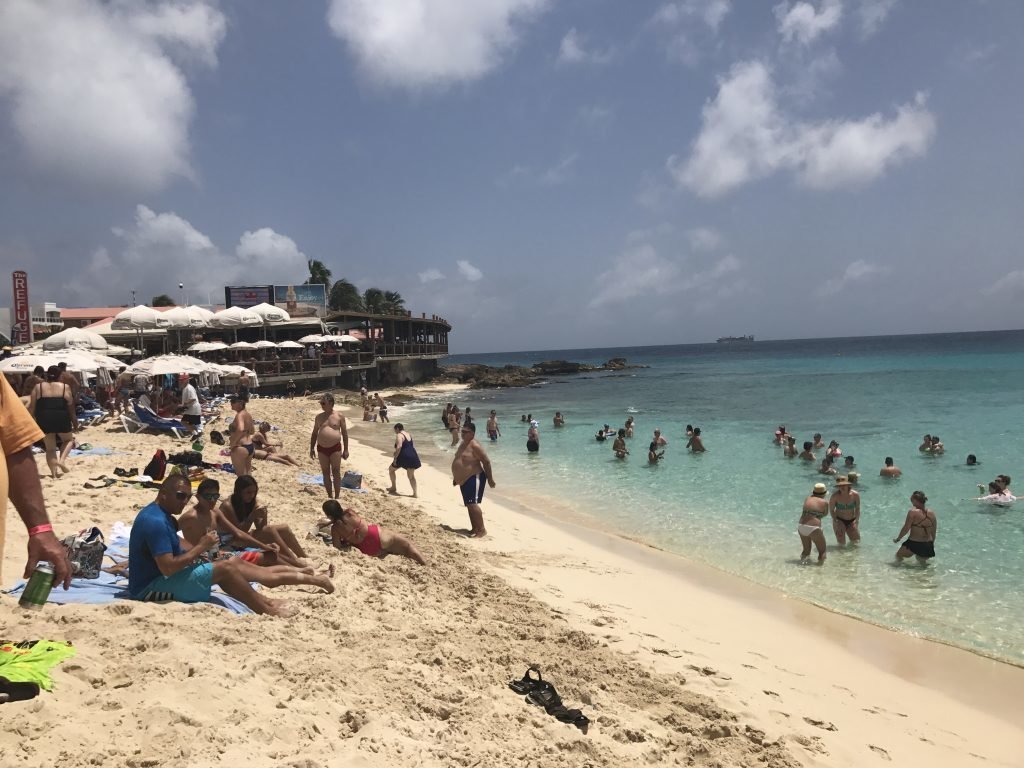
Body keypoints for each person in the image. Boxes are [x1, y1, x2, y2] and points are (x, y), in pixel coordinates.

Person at [128, 476, 329, 616]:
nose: (184, 502)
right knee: (225, 568)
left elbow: (176, 543)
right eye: (180, 495)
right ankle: (266, 608)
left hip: (167, 575)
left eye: (186, 497)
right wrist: (201, 547)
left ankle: (276, 594)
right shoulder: (157, 521)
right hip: (150, 588)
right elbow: (168, 567)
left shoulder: (163, 516)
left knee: (230, 561)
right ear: (163, 493)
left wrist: (200, 553)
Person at [0, 373, 72, 592]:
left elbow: (15, 444)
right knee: (62, 444)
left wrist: (40, 529)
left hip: (45, 421)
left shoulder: (35, 390)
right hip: (59, 419)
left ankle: (55, 466)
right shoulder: (64, 387)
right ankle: (58, 465)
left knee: (50, 446)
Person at [178, 478, 307, 569]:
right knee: (269, 554)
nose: (212, 500)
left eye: (215, 496)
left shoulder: (215, 512)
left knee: (272, 549)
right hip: (219, 551)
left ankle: (301, 564)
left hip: (219, 551)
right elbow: (239, 533)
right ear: (198, 497)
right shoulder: (195, 516)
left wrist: (265, 542)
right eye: (208, 497)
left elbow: (254, 529)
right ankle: (300, 568)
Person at [220, 475, 308, 564]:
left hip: (242, 537)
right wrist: (252, 517)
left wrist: (264, 515)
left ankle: (304, 557)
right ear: (239, 492)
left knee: (284, 528)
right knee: (269, 530)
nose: (252, 495)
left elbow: (262, 528)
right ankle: (294, 561)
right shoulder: (228, 505)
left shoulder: (251, 501)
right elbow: (239, 532)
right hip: (229, 541)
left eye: (254, 492)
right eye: (248, 492)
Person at [321, 501, 426, 565]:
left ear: (329, 516)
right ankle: (423, 563)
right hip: (376, 535)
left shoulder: (335, 529)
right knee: (407, 545)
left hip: (369, 549)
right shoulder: (350, 512)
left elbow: (337, 546)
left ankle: (387, 551)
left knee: (391, 550)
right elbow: (343, 517)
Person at [28, 365, 76, 479]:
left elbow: (31, 407)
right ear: (60, 375)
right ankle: (62, 461)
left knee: (50, 448)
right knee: (69, 440)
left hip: (43, 417)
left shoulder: (38, 387)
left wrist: (31, 420)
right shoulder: (64, 387)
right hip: (61, 416)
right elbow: (71, 405)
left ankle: (54, 475)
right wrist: (74, 420)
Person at [451, 422, 495, 537]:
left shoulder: (475, 446)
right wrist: (456, 477)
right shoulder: (462, 444)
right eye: (462, 431)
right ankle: (474, 528)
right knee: (469, 504)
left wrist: (490, 479)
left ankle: (482, 530)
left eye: (465, 432)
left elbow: (486, 461)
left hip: (474, 477)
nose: (462, 434)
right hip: (463, 480)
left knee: (473, 504)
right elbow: (459, 460)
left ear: (472, 433)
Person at [310, 393, 349, 499]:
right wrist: (311, 448)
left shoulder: (339, 416)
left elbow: (345, 433)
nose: (321, 405)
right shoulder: (319, 417)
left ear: (330, 403)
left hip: (335, 448)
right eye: (321, 403)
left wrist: (346, 449)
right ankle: (329, 495)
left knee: (336, 471)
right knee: (325, 472)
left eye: (323, 403)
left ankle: (337, 496)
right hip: (321, 449)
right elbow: (314, 433)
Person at [893, 491, 937, 563]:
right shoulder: (932, 513)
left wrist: (898, 539)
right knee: (922, 564)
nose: (911, 502)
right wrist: (931, 545)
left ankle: (899, 573)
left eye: (912, 500)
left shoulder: (912, 512)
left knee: (898, 556)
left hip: (914, 543)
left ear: (916, 501)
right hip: (928, 544)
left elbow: (906, 528)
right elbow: (933, 531)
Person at [798, 483, 830, 563]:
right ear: (824, 494)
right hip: (814, 528)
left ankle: (802, 567)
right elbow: (825, 514)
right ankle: (819, 570)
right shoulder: (824, 502)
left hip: (801, 526)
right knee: (822, 551)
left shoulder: (807, 498)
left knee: (806, 551)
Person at [388, 423, 421, 497]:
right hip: (413, 456)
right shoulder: (408, 434)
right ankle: (415, 494)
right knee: (411, 476)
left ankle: (393, 487)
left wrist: (395, 458)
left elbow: (399, 446)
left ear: (397, 429)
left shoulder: (399, 435)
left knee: (391, 470)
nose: (395, 431)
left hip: (403, 456)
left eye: (395, 430)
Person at [227, 394, 255, 478]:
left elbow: (240, 429)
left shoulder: (239, 415)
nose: (230, 403)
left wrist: (233, 443)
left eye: (233, 401)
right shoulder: (248, 415)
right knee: (248, 474)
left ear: (240, 403)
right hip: (250, 446)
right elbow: (252, 431)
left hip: (240, 448)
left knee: (241, 476)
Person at [829, 476, 861, 545]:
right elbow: (831, 510)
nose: (842, 487)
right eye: (840, 486)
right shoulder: (835, 496)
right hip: (839, 520)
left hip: (852, 520)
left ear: (848, 485)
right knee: (841, 544)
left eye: (844, 485)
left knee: (856, 542)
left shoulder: (855, 495)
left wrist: (857, 520)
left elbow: (857, 508)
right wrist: (835, 521)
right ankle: (841, 555)